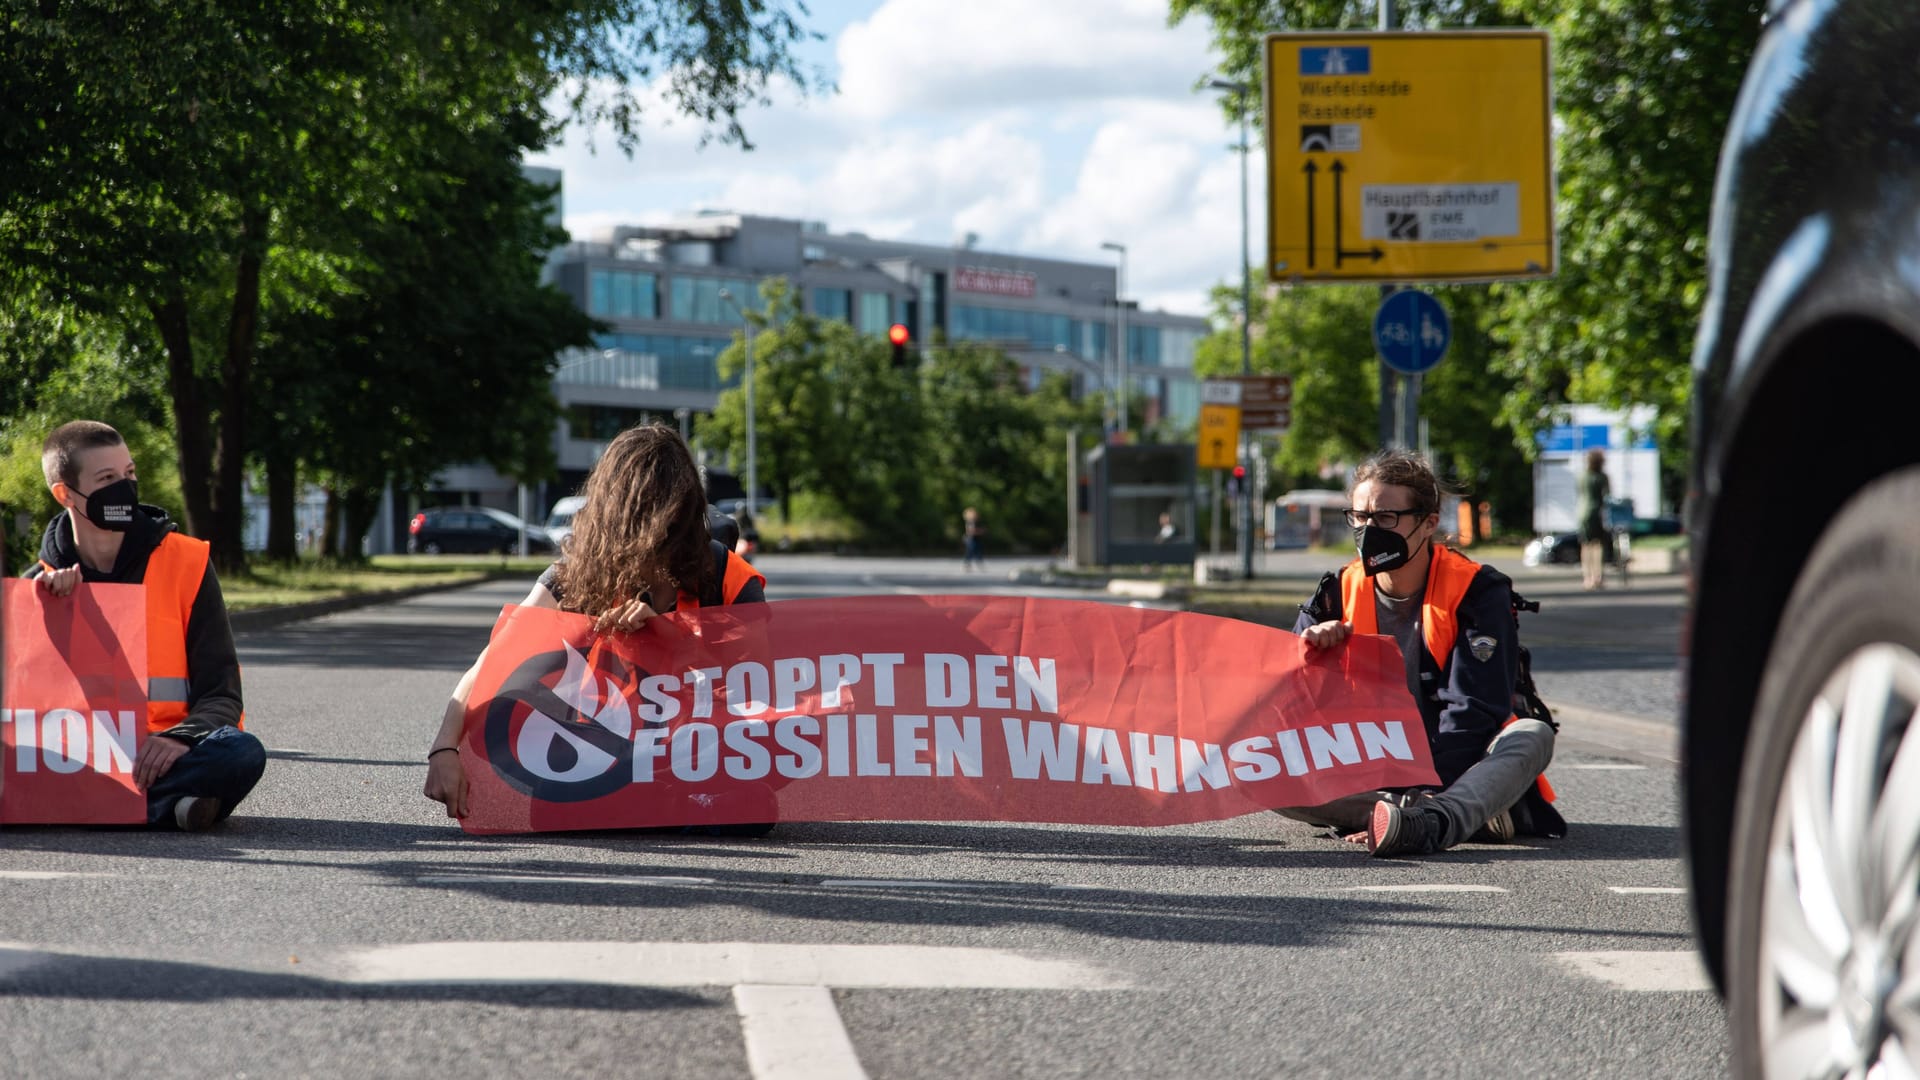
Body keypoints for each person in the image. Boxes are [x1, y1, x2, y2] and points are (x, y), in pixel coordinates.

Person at [423, 424, 767, 825]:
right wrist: (444, 749)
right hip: (605, 750)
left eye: (666, 530)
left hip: (700, 749)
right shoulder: (572, 578)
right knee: (551, 805)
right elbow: (494, 663)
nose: (652, 546)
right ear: (614, 520)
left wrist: (671, 640)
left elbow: (761, 686)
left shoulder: (726, 575)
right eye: (639, 527)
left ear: (687, 517)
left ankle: (672, 800)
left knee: (756, 805)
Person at [1280, 450, 1562, 857]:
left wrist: (1427, 790)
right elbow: (1288, 700)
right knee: (1263, 774)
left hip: (1464, 761)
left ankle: (1432, 817)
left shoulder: (1478, 591)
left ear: (1429, 523)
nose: (1368, 529)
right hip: (1371, 764)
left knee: (1532, 735)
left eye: (1385, 518)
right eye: (1358, 517)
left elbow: (1474, 710)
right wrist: (1315, 654)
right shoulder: (1336, 590)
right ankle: (1436, 817)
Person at [23, 421, 265, 831]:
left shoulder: (185, 563)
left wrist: (181, 737)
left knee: (241, 752)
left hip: (160, 757)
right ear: (65, 493)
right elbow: (21, 711)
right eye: (107, 478)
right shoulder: (36, 585)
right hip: (74, 759)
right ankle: (166, 809)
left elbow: (222, 694)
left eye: (129, 474)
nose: (125, 487)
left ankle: (95, 808)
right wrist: (40, 612)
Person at [1576, 448, 1613, 591]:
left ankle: (1587, 578)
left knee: (1585, 546)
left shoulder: (1582, 476)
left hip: (1582, 512)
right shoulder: (1602, 477)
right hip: (1597, 513)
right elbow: (1608, 496)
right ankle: (1598, 577)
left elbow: (1579, 492)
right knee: (1598, 545)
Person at [961, 506, 986, 571]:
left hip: (976, 539)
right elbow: (970, 531)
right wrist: (978, 531)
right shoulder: (969, 522)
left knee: (977, 552)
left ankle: (978, 564)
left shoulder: (977, 522)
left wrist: (978, 531)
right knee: (970, 552)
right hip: (970, 539)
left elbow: (981, 530)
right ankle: (967, 565)